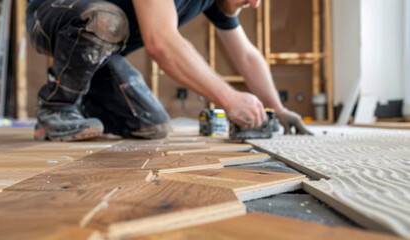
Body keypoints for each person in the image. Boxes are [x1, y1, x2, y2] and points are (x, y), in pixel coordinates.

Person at [26, 0, 312, 141]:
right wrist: (230, 99)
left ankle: (81, 102)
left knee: (153, 124)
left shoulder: (216, 1)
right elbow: (161, 42)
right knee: (105, 20)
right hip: (55, 13)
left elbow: (247, 55)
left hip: (98, 49)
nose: (255, 3)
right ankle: (57, 107)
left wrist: (277, 108)